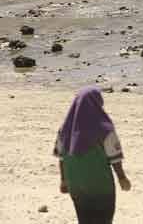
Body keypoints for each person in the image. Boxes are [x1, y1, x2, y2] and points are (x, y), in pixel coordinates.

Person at [54, 87, 131, 224]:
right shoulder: (105, 128)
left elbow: (61, 157)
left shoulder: (65, 129)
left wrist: (63, 180)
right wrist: (122, 178)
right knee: (103, 218)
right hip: (99, 183)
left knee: (84, 218)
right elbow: (115, 158)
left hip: (75, 183)